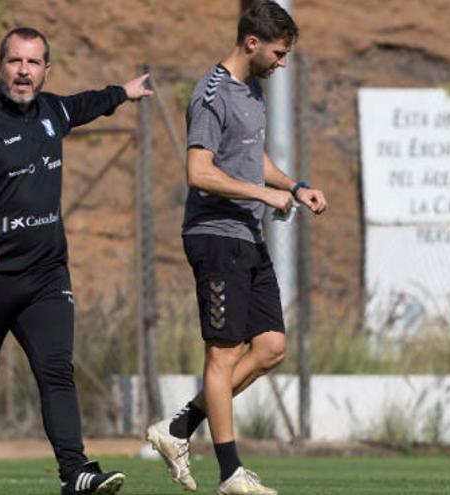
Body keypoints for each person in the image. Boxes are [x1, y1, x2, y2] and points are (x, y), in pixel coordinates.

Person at [0, 26, 152, 495]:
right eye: (15, 61)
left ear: (45, 70)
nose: (23, 72)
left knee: (56, 370)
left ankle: (75, 473)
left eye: (33, 63)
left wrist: (123, 93)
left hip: (46, 275)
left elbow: (84, 104)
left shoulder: (52, 111)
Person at [145, 2, 326, 494]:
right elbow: (199, 172)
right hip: (215, 237)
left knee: (270, 347)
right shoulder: (211, 94)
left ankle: (179, 429)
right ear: (252, 43)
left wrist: (293, 186)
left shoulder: (252, 88)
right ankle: (230, 474)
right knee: (222, 356)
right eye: (279, 53)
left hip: (248, 235)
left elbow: (250, 157)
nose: (283, 63)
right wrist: (263, 194)